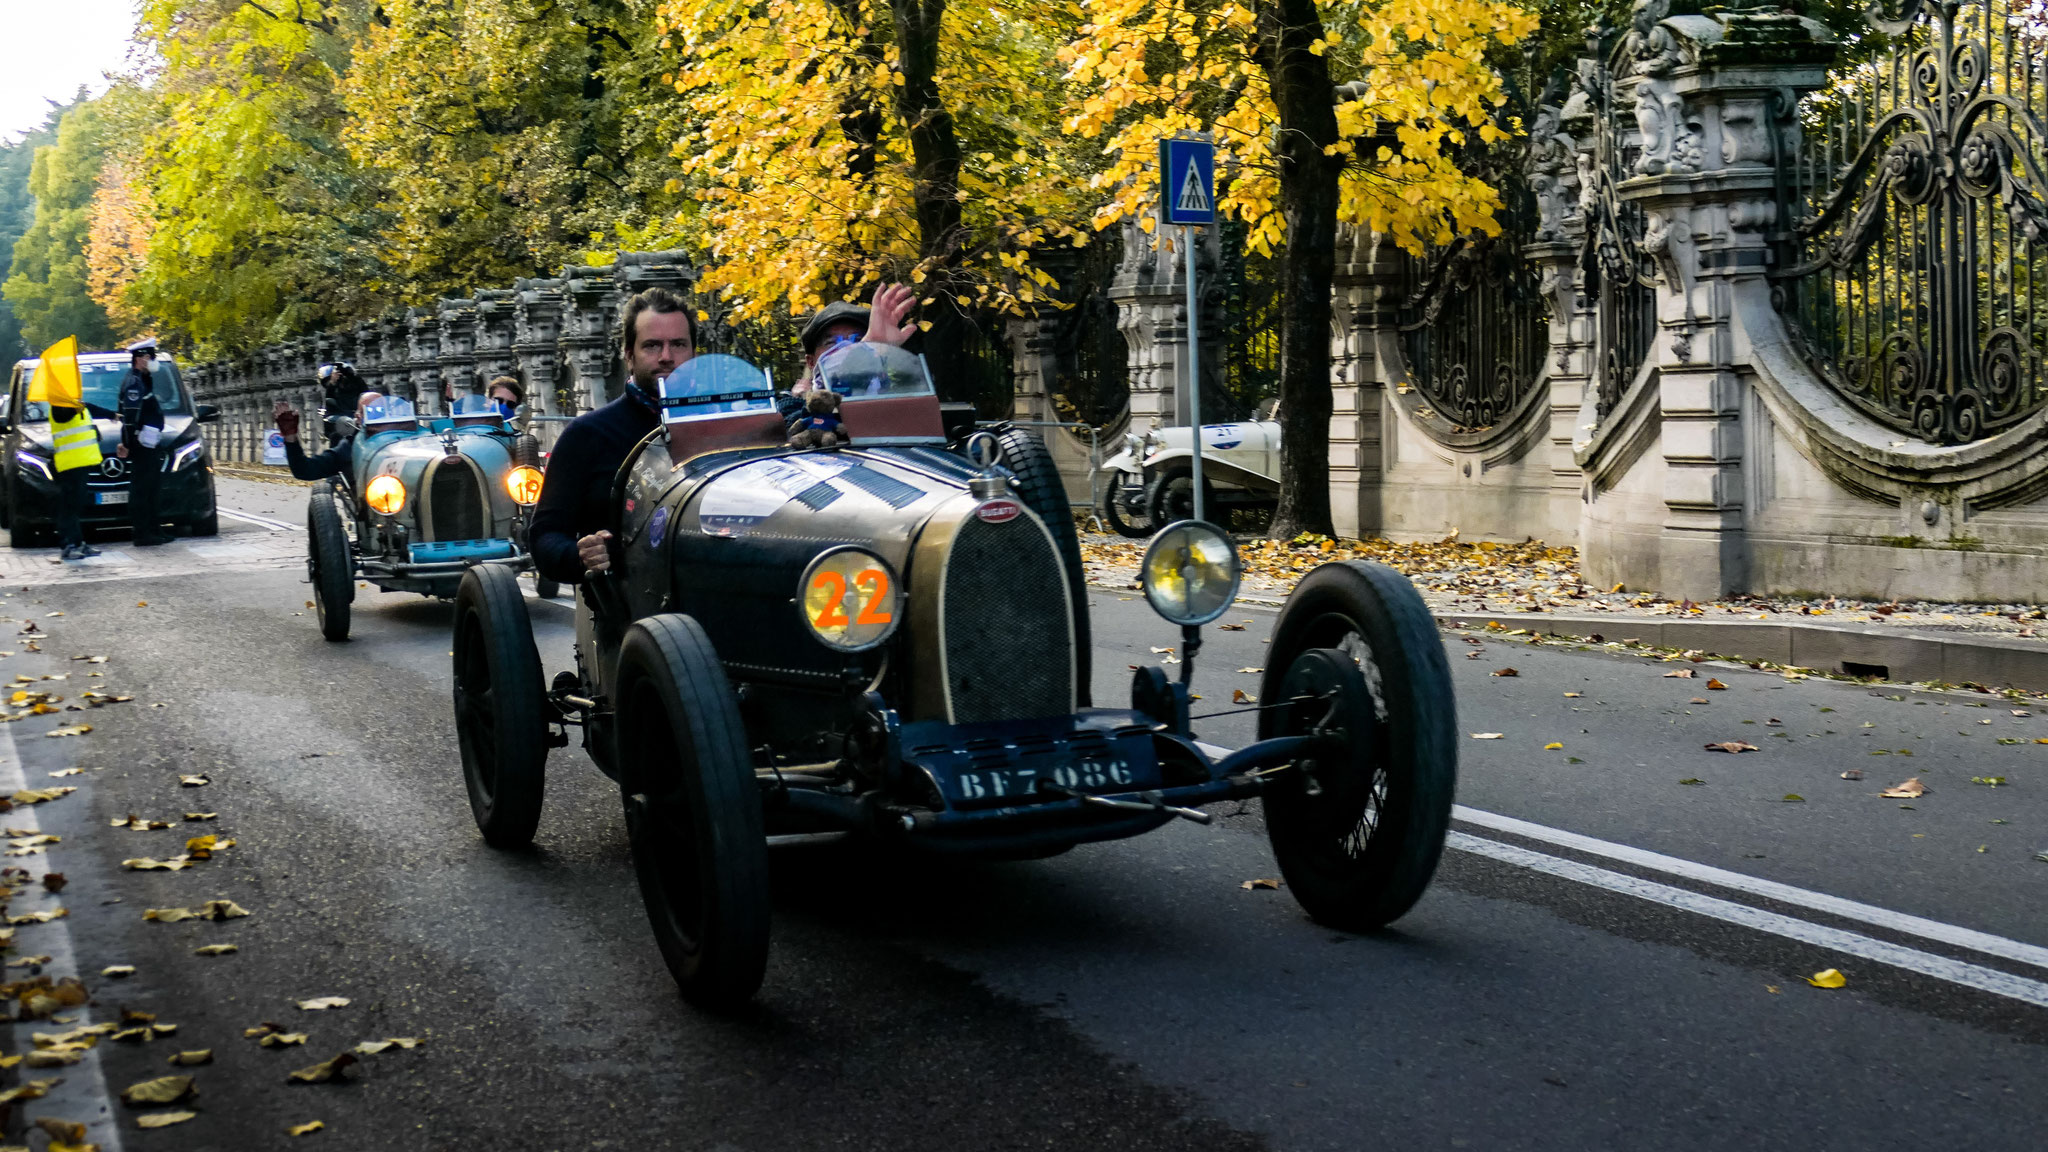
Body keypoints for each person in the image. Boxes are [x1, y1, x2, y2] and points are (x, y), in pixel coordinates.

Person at [530, 284, 917, 586]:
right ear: (628, 354)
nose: (667, 356)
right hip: (632, 608)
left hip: (732, 582)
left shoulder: (737, 415)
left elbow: (809, 415)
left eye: (678, 344)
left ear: (693, 352)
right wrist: (580, 555)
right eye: (652, 345)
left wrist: (869, 352)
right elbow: (545, 536)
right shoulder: (587, 435)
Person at [49, 397, 116, 561]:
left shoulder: (74, 403)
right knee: (69, 506)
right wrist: (75, 409)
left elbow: (90, 408)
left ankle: (78, 543)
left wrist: (112, 414)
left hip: (81, 462)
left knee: (76, 505)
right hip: (70, 463)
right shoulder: (60, 404)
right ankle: (67, 545)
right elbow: (61, 417)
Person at [117, 338, 169, 546]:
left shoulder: (143, 379)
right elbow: (129, 417)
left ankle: (154, 530)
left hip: (149, 443)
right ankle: (142, 533)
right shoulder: (134, 382)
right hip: (141, 445)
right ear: (140, 359)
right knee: (142, 489)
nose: (153, 361)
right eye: (150, 357)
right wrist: (127, 444)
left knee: (152, 489)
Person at [274, 392, 382, 482]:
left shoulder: (399, 443)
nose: (375, 418)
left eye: (380, 411)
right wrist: (290, 436)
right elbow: (304, 470)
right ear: (358, 417)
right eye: (368, 412)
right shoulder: (349, 448)